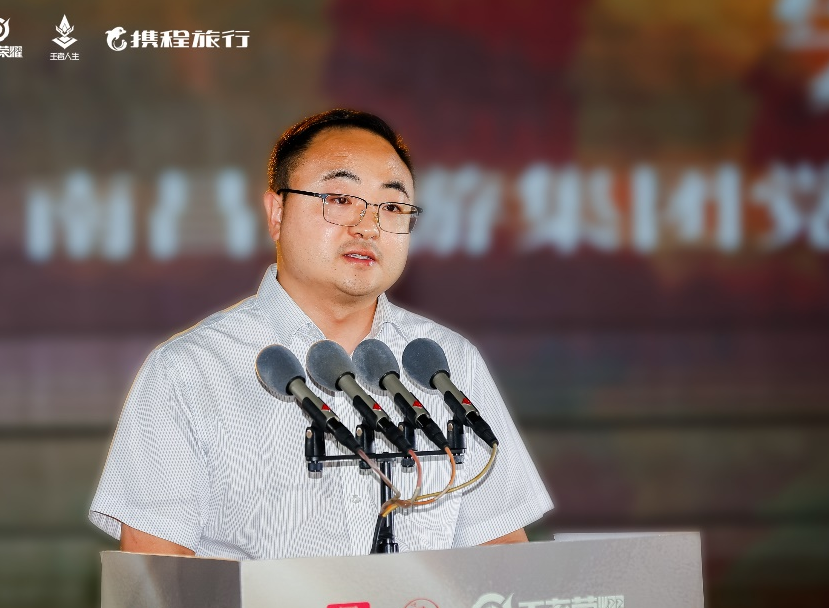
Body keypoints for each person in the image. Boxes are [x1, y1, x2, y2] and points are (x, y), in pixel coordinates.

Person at [88, 109, 553, 560]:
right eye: (340, 199)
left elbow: (502, 555)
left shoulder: (444, 363)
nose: (368, 226)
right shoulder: (190, 371)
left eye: (392, 207)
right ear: (277, 212)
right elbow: (156, 580)